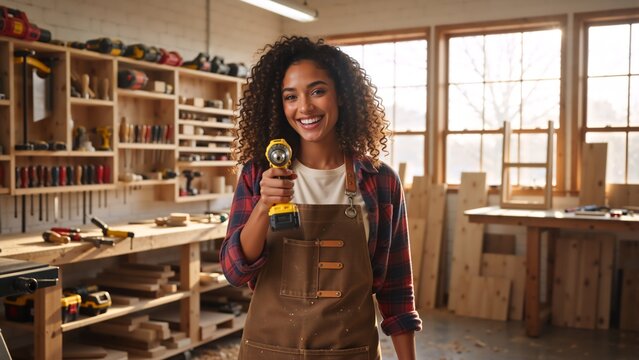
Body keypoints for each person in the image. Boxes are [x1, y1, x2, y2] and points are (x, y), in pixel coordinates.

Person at [220, 35, 422, 360]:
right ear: (279, 105)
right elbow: (234, 270)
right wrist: (263, 206)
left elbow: (396, 289)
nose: (304, 107)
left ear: (340, 95)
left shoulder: (380, 181)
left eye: (317, 91)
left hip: (350, 352)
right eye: (290, 96)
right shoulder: (259, 174)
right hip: (268, 351)